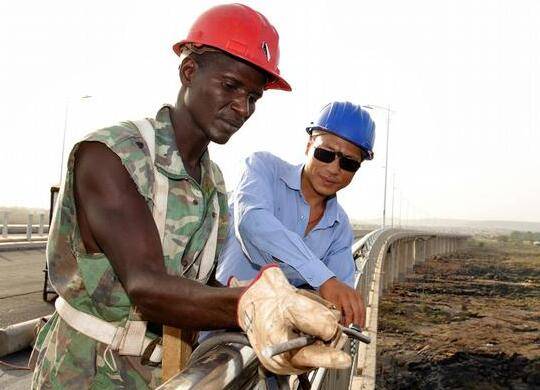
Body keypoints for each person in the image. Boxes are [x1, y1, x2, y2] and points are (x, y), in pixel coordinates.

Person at [30, 4, 349, 389]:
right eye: (230, 86)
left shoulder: (212, 184)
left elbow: (199, 288)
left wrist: (283, 322)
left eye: (253, 97)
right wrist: (253, 305)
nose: (242, 107)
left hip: (167, 373)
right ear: (189, 71)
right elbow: (146, 286)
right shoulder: (112, 156)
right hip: (86, 372)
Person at [216, 101, 376, 327]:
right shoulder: (263, 169)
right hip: (218, 333)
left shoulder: (339, 228)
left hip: (283, 348)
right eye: (325, 154)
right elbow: (253, 224)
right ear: (309, 145)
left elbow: (339, 296)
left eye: (348, 163)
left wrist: (338, 306)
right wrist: (322, 279)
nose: (334, 169)